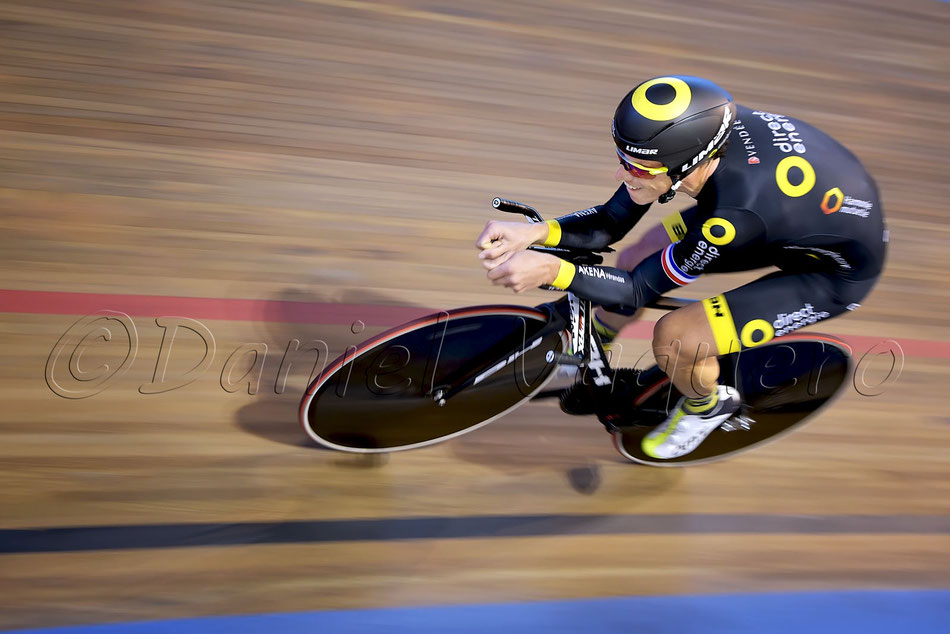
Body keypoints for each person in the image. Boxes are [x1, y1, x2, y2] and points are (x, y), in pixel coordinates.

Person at [476, 75, 887, 460]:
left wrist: (551, 271)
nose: (623, 175)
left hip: (830, 272)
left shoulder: (731, 218)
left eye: (638, 168)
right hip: (786, 217)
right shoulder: (693, 139)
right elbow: (609, 223)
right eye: (622, 158)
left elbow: (639, 289)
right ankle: (599, 332)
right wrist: (533, 232)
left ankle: (708, 406)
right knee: (644, 250)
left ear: (687, 165)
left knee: (678, 338)